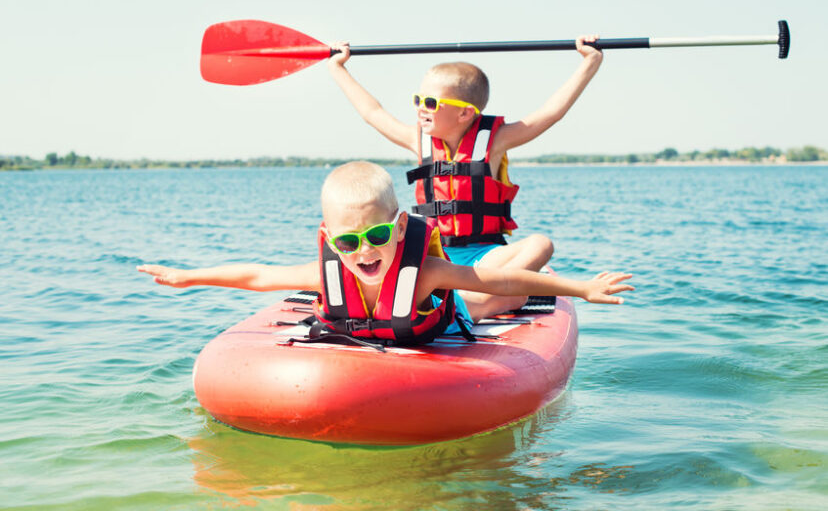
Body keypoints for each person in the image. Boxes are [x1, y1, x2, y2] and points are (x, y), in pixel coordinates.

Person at [138, 162, 632, 346]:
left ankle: (539, 246)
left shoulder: (428, 273)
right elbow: (258, 275)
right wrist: (188, 277)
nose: (365, 251)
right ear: (330, 239)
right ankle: (522, 249)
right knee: (504, 262)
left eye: (376, 235)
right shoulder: (327, 274)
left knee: (535, 252)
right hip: (416, 307)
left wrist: (581, 289)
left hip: (464, 303)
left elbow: (500, 286)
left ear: (400, 229)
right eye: (349, 242)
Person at [327, 36, 603, 319]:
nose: (421, 108)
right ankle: (491, 298)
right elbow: (372, 113)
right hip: (434, 257)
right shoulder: (418, 141)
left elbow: (551, 114)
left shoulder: (495, 141)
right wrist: (338, 68)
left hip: (485, 258)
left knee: (541, 244)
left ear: (464, 113)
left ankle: (488, 296)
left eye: (431, 102)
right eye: (418, 99)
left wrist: (590, 61)